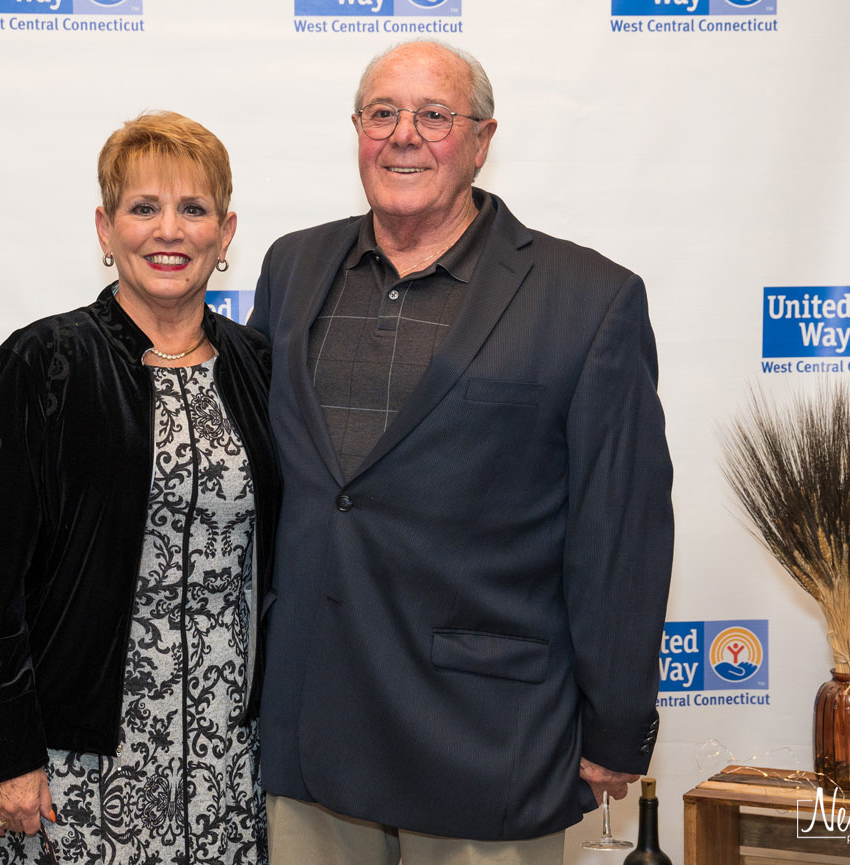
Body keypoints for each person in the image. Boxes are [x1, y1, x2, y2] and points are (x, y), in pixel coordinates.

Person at [248, 40, 674, 864]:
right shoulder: (292, 266)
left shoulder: (589, 299)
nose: (403, 135)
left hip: (486, 743)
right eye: (382, 113)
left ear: (481, 140)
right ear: (357, 131)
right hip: (313, 732)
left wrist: (616, 724)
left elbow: (619, 532)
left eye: (433, 115)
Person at [0, 110, 279, 865]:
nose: (170, 230)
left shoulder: (257, 366)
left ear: (225, 234)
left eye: (193, 209)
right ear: (106, 227)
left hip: (228, 763)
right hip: (74, 762)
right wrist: (5, 754)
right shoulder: (43, 362)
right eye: (143, 208)